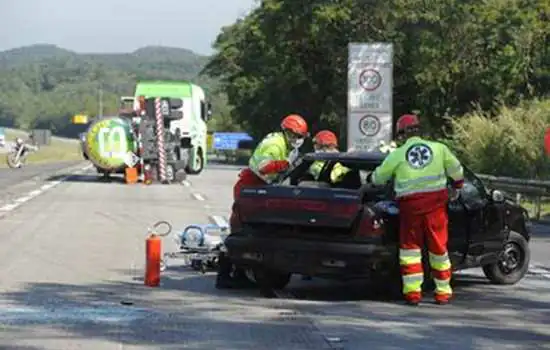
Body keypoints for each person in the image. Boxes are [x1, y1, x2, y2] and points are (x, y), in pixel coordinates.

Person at [368, 114, 464, 306]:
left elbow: (379, 178)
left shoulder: (397, 154)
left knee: (410, 250)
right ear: (420, 131)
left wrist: (370, 179)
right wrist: (457, 185)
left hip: (410, 208)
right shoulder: (439, 149)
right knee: (439, 248)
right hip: (436, 206)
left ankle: (413, 293)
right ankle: (443, 292)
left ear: (401, 134)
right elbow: (457, 170)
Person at [217, 114, 309, 289]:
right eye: (295, 136)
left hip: (265, 189)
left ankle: (241, 272)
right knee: (241, 230)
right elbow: (263, 168)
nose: (297, 140)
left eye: (300, 137)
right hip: (251, 186)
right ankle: (225, 274)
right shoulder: (273, 144)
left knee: (258, 232)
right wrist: (281, 165)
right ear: (286, 132)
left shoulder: (290, 147)